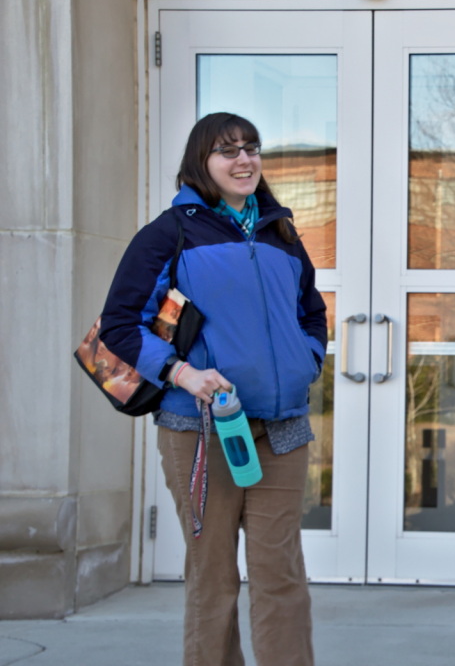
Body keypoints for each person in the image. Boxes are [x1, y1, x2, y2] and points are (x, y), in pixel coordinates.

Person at [100, 112, 326, 666]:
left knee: (281, 574)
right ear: (201, 162)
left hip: (282, 430)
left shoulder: (280, 231)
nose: (244, 160)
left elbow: (311, 314)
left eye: (252, 148)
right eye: (228, 150)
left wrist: (306, 362)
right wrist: (183, 374)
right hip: (200, 430)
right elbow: (120, 324)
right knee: (213, 575)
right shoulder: (169, 233)